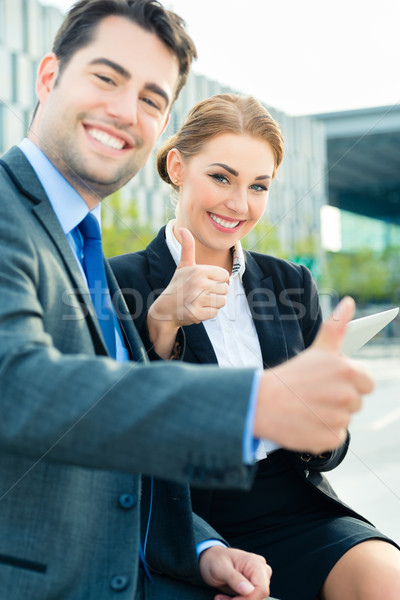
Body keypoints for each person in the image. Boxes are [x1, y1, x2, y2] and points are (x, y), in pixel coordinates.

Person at [110, 93, 400, 600]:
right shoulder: (120, 281)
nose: (239, 204)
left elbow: (327, 450)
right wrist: (162, 322)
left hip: (292, 504)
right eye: (221, 177)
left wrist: (324, 430)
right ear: (177, 166)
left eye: (258, 186)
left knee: (386, 578)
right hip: (178, 515)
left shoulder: (289, 282)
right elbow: (114, 429)